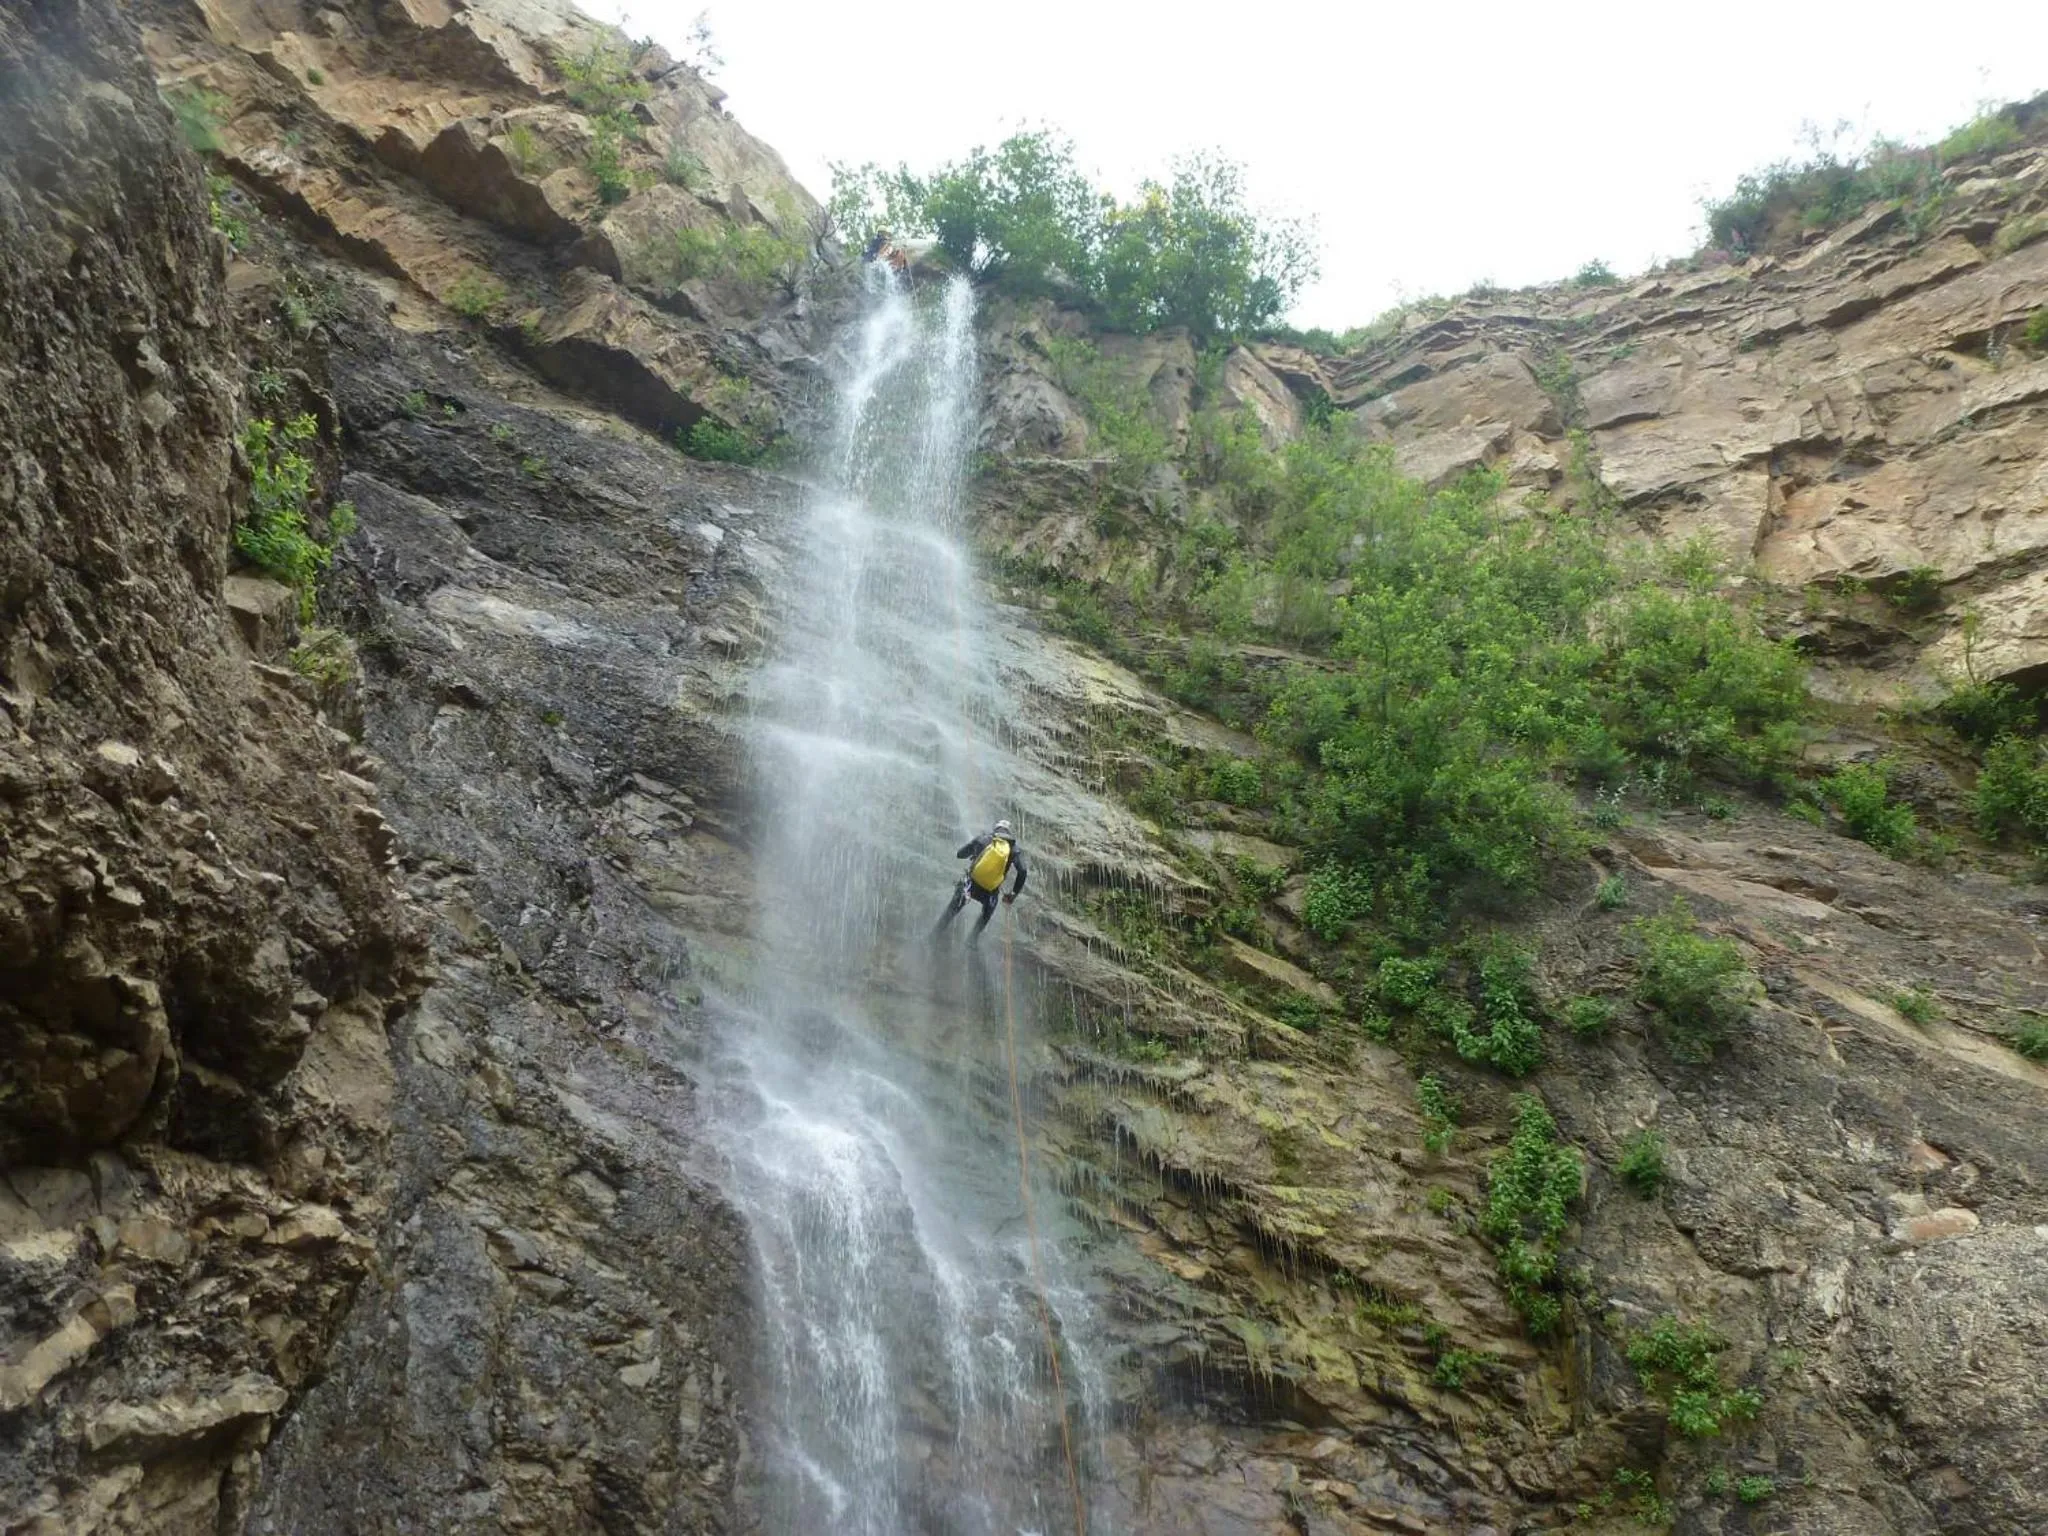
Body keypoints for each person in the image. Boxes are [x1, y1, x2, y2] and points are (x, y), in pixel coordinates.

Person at [937, 819, 1028, 940]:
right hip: (990, 893)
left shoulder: (983, 839)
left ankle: (936, 934)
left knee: (952, 909)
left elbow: (960, 854)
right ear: (1009, 833)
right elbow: (1023, 870)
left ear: (995, 829)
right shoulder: (1014, 849)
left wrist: (974, 852)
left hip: (970, 885)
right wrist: (1012, 894)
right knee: (986, 913)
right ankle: (972, 941)